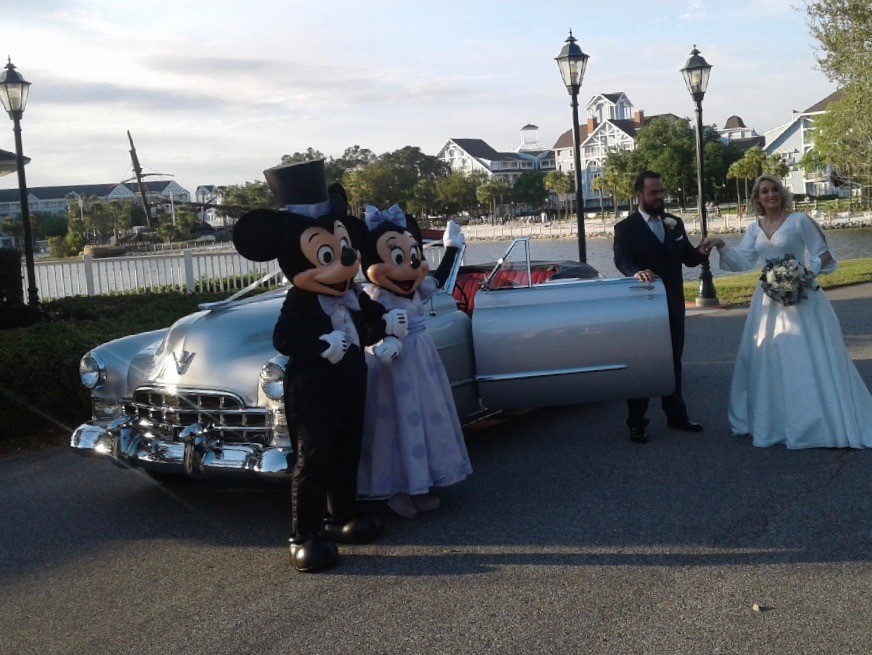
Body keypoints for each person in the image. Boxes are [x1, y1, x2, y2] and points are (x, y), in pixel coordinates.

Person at [707, 174, 872, 448]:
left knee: (804, 356)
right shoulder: (754, 228)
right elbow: (743, 260)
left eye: (774, 190)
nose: (770, 195)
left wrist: (804, 273)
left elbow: (824, 253)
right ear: (757, 198)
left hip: (802, 296)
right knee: (769, 356)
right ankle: (775, 421)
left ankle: (816, 421)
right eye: (763, 192)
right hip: (767, 301)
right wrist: (721, 245)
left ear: (782, 193)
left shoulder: (799, 221)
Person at [357, 206, 472, 518]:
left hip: (421, 359)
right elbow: (365, 325)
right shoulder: (375, 296)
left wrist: (452, 248)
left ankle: (419, 485)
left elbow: (440, 277)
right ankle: (395, 489)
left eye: (413, 257)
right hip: (392, 365)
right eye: (397, 259)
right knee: (395, 424)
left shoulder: (418, 288)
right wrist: (380, 339)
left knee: (424, 419)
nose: (409, 268)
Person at [613, 171, 715, 443]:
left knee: (673, 361)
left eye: (661, 192)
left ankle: (676, 415)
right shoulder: (625, 228)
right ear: (639, 195)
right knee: (642, 363)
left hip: (672, 304)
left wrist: (703, 250)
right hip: (641, 308)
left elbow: (689, 259)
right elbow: (622, 260)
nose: (660, 197)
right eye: (653, 193)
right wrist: (636, 272)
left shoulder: (674, 223)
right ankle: (636, 421)